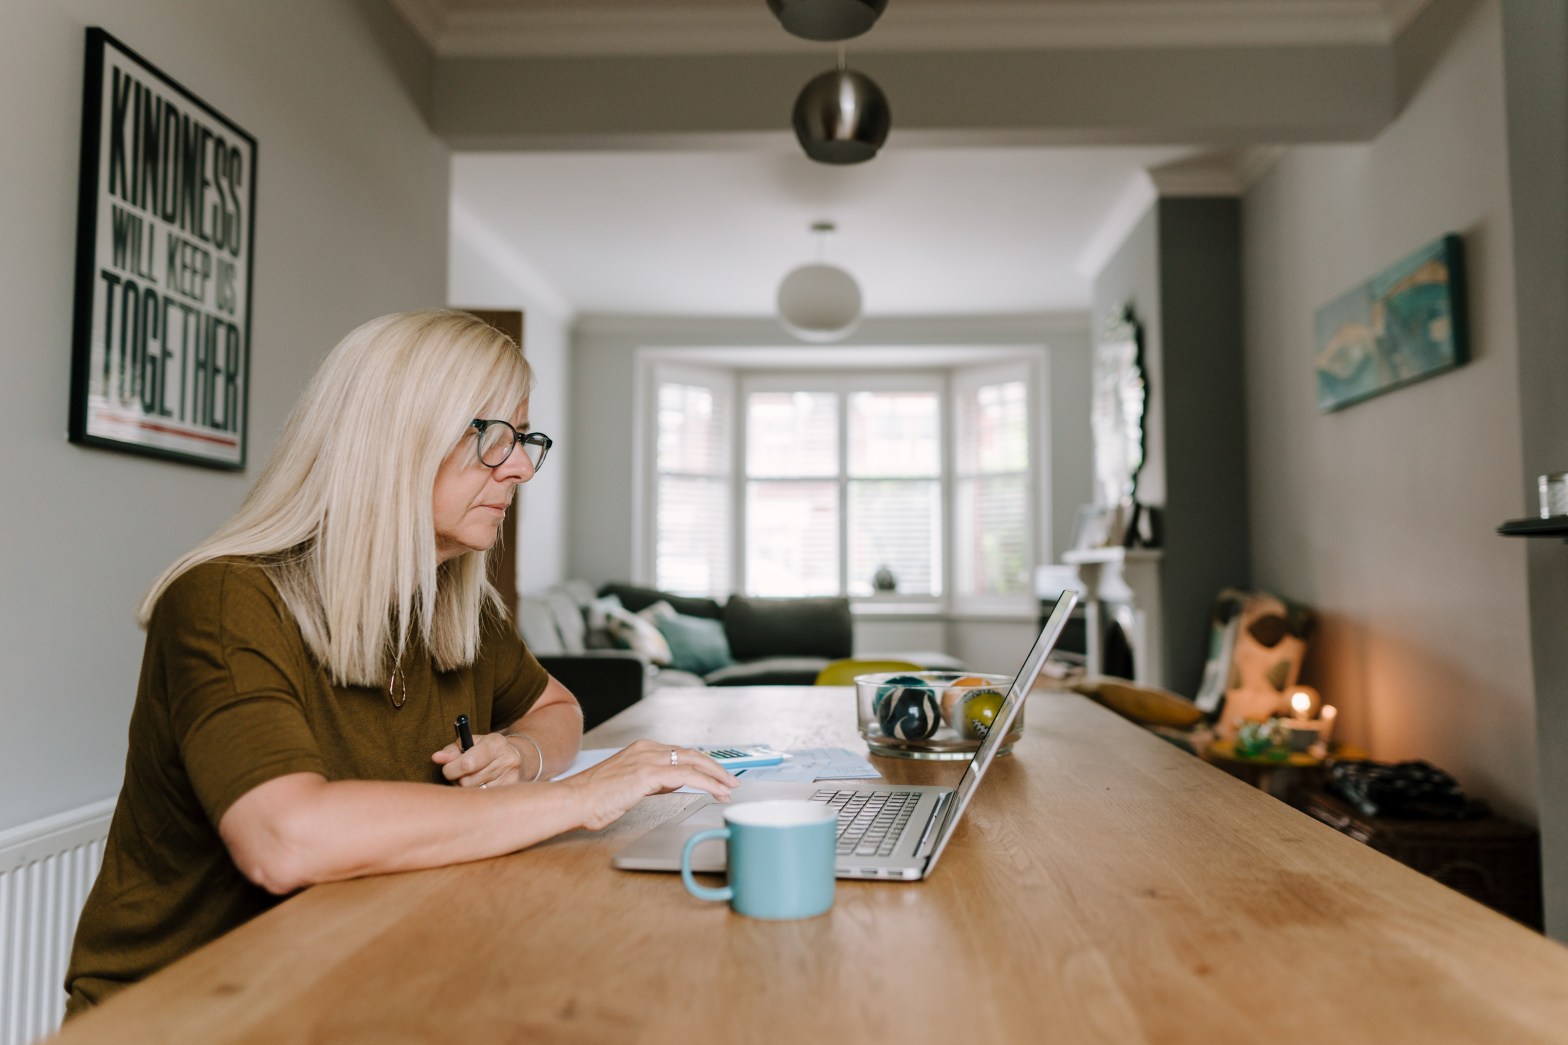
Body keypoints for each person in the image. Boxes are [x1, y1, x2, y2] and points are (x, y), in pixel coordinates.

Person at [64, 309, 736, 1015]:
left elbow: (556, 708)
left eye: (526, 439)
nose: (519, 467)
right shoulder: (228, 599)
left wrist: (522, 755)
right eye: (494, 437)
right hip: (190, 1012)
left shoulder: (454, 606)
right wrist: (580, 795)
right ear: (394, 439)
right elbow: (285, 838)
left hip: (362, 981)